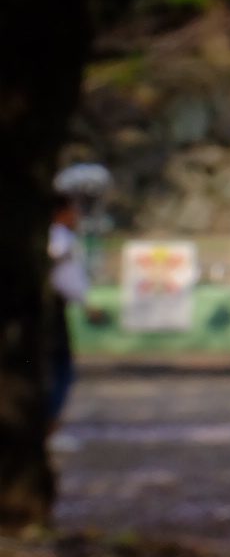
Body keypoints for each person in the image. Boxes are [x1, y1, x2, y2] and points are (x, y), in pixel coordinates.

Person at [47, 163, 109, 435]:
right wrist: (87, 304)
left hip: (53, 309)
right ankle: (48, 426)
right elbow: (65, 276)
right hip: (51, 311)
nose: (78, 215)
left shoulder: (59, 239)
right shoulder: (58, 240)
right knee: (58, 371)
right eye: (73, 209)